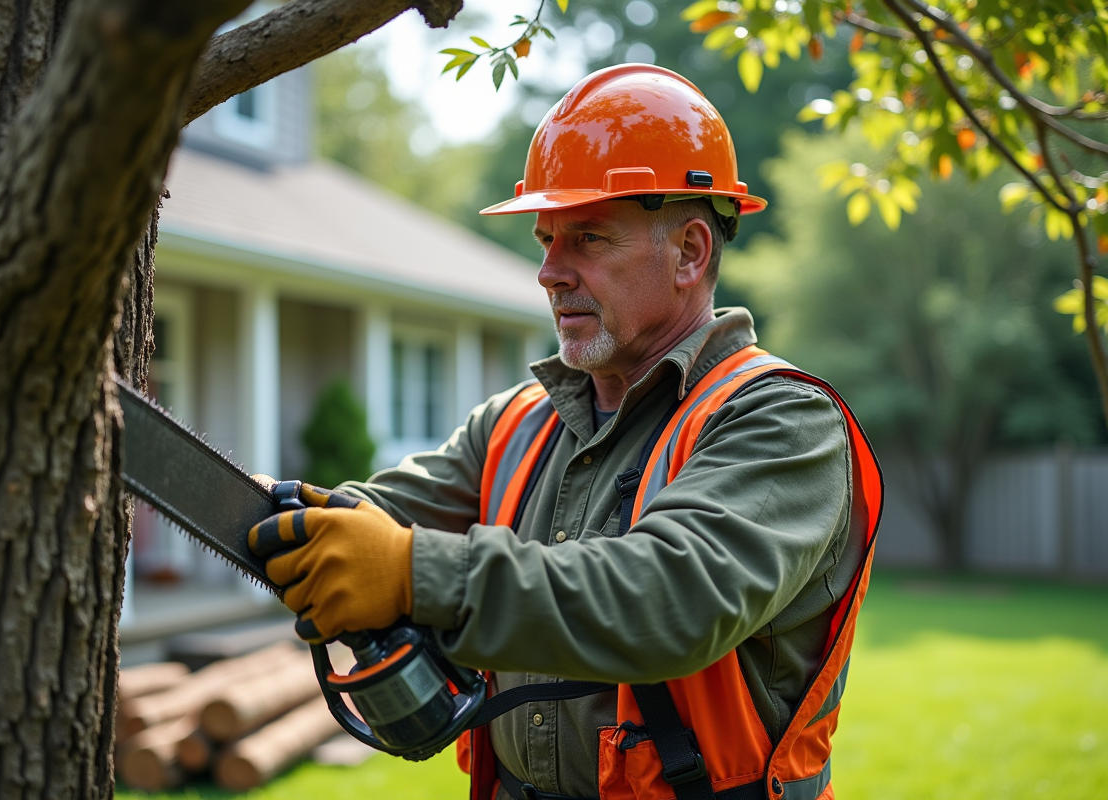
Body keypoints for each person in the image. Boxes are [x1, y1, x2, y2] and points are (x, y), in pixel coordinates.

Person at [248, 64, 882, 800]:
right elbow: (369, 523)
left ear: (690, 252)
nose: (549, 271)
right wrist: (263, 514)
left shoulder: (781, 420)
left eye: (588, 237)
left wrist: (412, 573)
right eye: (547, 239)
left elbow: (665, 599)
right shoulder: (515, 423)